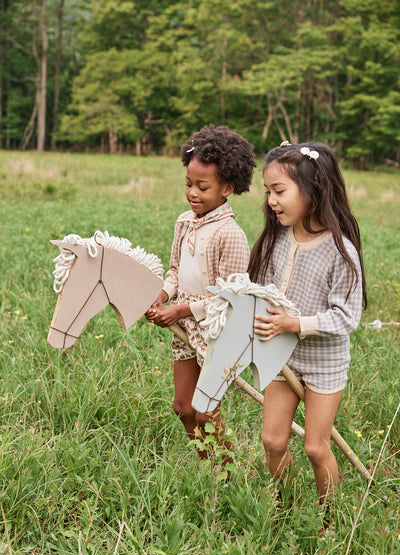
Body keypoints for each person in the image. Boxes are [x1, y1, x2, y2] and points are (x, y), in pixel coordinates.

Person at [248, 141, 367, 524]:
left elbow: (347, 317)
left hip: (324, 364)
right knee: (273, 440)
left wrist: (295, 323)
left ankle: (329, 518)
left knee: (316, 448)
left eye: (279, 191)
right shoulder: (277, 239)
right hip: (283, 356)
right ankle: (281, 508)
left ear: (314, 189)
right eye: (268, 192)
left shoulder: (338, 249)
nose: (271, 202)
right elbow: (263, 293)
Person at [146, 124, 256, 467]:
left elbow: (230, 298)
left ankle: (226, 473)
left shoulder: (231, 234)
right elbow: (176, 270)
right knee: (183, 407)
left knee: (207, 412)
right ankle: (208, 464)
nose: (193, 193)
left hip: (215, 332)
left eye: (203, 187)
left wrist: (180, 311)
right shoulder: (185, 222)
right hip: (186, 325)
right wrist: (162, 295)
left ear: (228, 187)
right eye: (189, 185)